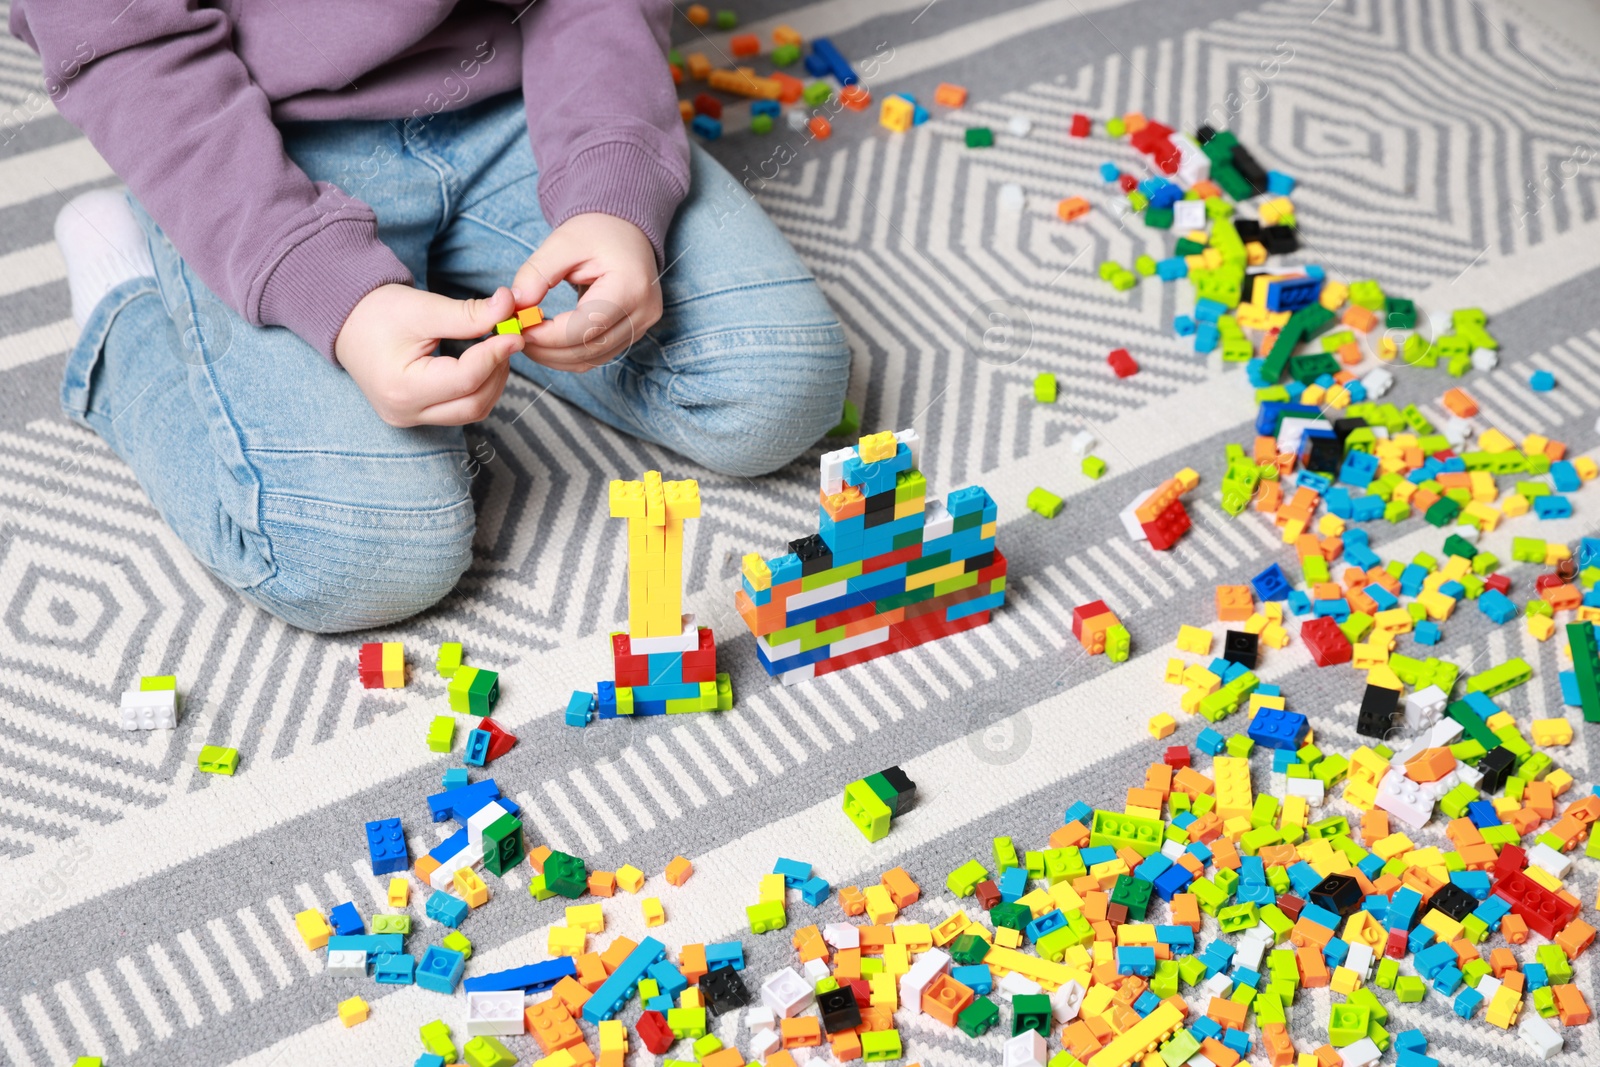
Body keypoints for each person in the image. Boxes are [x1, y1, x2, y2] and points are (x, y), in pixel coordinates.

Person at [13, 0, 850, 633]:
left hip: (521, 90)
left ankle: (451, 280)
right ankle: (126, 303)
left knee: (778, 383)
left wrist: (613, 182)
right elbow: (127, 55)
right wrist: (331, 292)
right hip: (248, 147)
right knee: (360, 552)